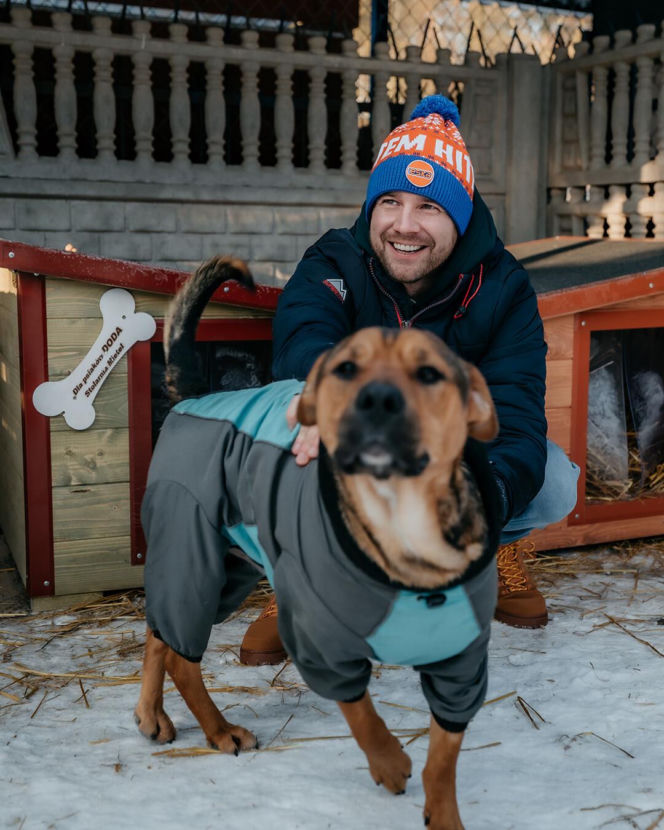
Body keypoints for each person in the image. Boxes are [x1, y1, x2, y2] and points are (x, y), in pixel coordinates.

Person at [239, 94, 580, 666]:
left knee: (555, 484)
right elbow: (303, 342)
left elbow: (517, 408)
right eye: (390, 201)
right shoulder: (335, 260)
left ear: (461, 215)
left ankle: (491, 552)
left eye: (428, 207)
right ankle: (298, 578)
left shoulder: (503, 287)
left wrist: (481, 504)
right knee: (288, 430)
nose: (403, 225)